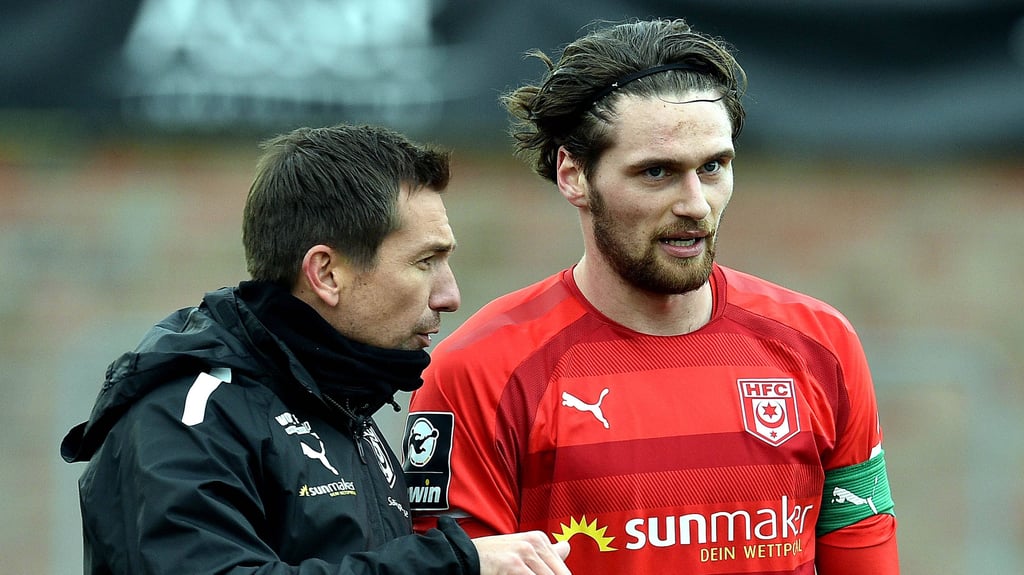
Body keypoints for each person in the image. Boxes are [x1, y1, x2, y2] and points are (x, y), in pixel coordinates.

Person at [402, 18, 899, 575]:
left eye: (713, 167)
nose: (695, 203)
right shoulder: (478, 372)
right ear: (574, 175)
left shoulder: (821, 344)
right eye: (657, 172)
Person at [60, 124, 571, 575]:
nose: (450, 295)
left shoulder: (340, 400)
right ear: (326, 273)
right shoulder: (187, 415)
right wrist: (452, 563)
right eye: (425, 262)